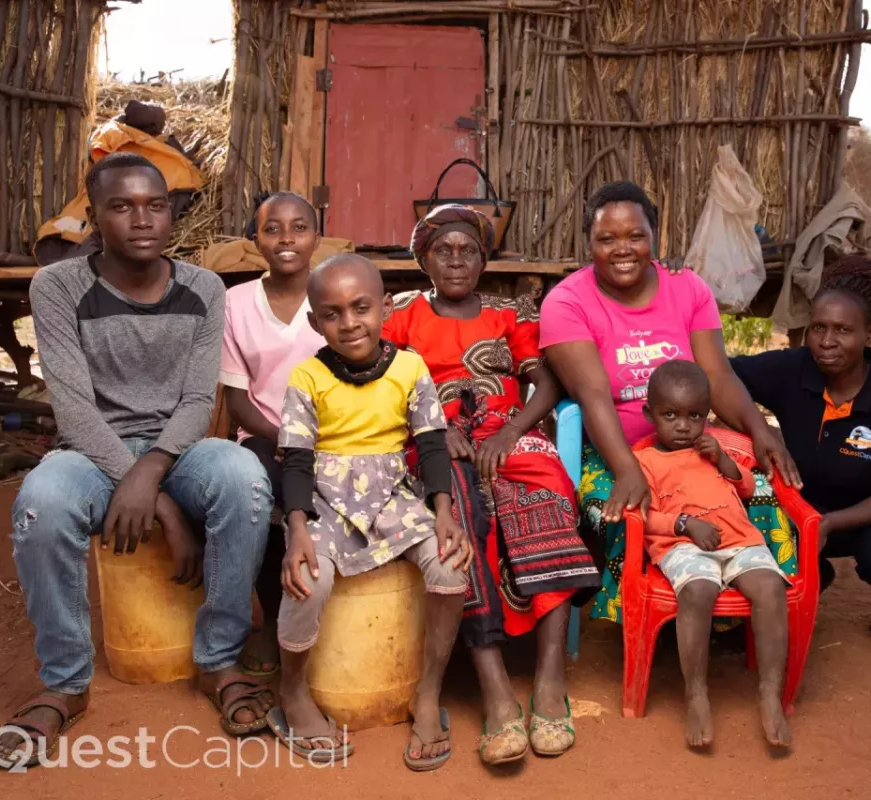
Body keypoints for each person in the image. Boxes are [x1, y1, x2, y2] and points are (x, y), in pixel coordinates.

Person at [0, 153, 274, 770]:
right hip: (90, 451)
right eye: (121, 206)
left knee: (245, 480)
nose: (141, 219)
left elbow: (199, 399)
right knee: (42, 504)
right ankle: (66, 682)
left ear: (172, 212)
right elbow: (72, 407)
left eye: (154, 205)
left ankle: (219, 659)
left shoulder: (202, 287)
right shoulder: (60, 286)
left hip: (178, 451)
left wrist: (155, 478)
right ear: (94, 216)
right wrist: (164, 506)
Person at [383, 204, 600, 764]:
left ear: (484, 258)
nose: (456, 260)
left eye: (469, 250)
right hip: (433, 441)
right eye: (443, 250)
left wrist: (511, 433)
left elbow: (547, 384)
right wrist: (431, 431)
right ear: (422, 258)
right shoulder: (401, 314)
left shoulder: (511, 313)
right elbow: (382, 387)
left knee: (546, 490)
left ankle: (549, 678)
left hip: (508, 433)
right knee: (458, 507)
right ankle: (495, 685)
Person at [538, 180, 800, 624]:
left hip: (693, 444)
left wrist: (759, 431)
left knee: (758, 492)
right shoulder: (566, 302)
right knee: (624, 512)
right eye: (607, 238)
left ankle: (737, 609)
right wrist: (625, 468)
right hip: (615, 448)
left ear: (654, 237)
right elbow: (592, 392)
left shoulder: (688, 289)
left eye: (635, 236)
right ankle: (653, 617)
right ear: (589, 243)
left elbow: (717, 375)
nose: (623, 248)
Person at [268, 254, 473, 770]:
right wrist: (297, 530)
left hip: (392, 498)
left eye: (361, 308)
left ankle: (427, 693)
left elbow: (430, 446)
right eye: (332, 313)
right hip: (324, 499)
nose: (349, 322)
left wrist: (443, 512)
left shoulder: (409, 367)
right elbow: (294, 462)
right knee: (306, 578)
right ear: (315, 322)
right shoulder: (307, 377)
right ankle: (292, 692)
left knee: (450, 562)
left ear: (385, 307)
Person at [729, 255, 871, 644]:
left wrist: (829, 524)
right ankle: (814, 575)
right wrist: (759, 429)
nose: (827, 342)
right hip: (806, 507)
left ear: (870, 334)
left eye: (843, 330)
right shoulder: (792, 369)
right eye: (818, 328)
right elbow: (719, 375)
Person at [634, 360, 792, 749]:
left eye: (694, 416)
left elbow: (748, 488)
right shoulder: (645, 462)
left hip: (739, 539)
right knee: (698, 590)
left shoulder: (713, 451)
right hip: (683, 545)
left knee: (771, 588)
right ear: (649, 413)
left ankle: (770, 695)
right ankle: (697, 695)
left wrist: (723, 459)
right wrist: (685, 525)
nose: (683, 426)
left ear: (707, 416)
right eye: (669, 415)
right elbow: (642, 518)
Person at [219, 191, 327, 677]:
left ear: (317, 238)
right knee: (260, 493)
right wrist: (288, 440)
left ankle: (323, 615)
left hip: (334, 434)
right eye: (272, 229)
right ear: (255, 241)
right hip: (265, 435)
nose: (287, 239)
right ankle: (271, 620)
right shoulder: (235, 303)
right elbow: (239, 400)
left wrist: (313, 442)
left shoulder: (333, 293)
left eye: (299, 227)